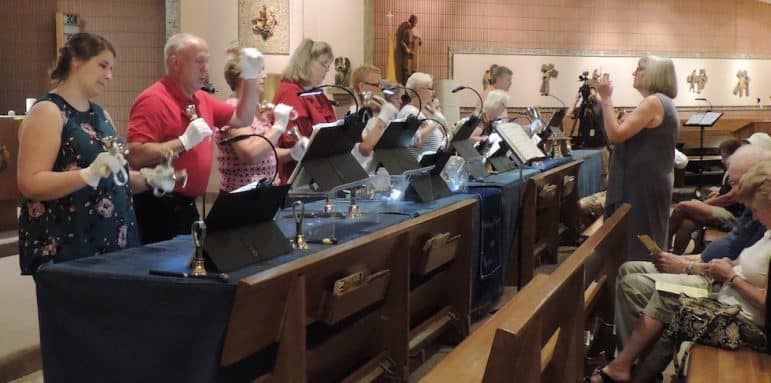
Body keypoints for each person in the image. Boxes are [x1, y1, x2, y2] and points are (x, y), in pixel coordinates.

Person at [589, 160, 771, 383]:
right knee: (641, 280)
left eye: (755, 209)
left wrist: (728, 275)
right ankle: (629, 368)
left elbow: (765, 301)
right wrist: (729, 265)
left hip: (745, 318)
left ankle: (629, 370)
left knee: (663, 299)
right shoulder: (767, 231)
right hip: (726, 291)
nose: (753, 216)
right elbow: (745, 259)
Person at [17, 33, 176, 274]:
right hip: (71, 247)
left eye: (111, 69)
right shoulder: (48, 112)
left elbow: (113, 176)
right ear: (76, 61)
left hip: (114, 244)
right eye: (103, 66)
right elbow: (30, 182)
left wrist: (151, 179)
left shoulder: (101, 115)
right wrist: (87, 174)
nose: (109, 76)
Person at [613, 144, 771, 349]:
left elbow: (742, 273)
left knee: (633, 286)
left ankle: (630, 363)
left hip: (720, 287)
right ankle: (627, 353)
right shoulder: (756, 211)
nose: (734, 191)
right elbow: (734, 256)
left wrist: (687, 266)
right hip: (714, 273)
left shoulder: (762, 214)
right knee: (627, 268)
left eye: (736, 183)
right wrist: (689, 260)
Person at [127, 33, 262, 244]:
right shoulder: (153, 100)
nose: (205, 68)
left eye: (206, 62)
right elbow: (135, 156)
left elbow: (243, 118)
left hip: (187, 205)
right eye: (199, 61)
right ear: (175, 62)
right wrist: (183, 142)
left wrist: (251, 76)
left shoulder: (202, 99)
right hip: (158, 205)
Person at [598, 55, 679, 261]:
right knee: (639, 235)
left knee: (640, 238)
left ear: (654, 75)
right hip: (647, 181)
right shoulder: (660, 102)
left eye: (639, 69)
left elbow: (615, 135)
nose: (634, 73)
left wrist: (606, 98)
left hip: (643, 185)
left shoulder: (653, 102)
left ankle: (638, 282)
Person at [215, 57, 305, 192]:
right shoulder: (233, 109)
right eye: (259, 70)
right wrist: (278, 127)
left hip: (264, 193)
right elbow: (250, 154)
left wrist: (293, 153)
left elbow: (266, 154)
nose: (265, 75)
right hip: (243, 198)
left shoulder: (256, 110)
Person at [272, 38, 336, 184]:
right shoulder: (290, 93)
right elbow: (293, 143)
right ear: (307, 62)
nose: (327, 70)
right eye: (324, 64)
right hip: (296, 177)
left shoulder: (315, 93)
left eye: (329, 66)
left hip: (318, 173)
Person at [668, 138, 746, 254]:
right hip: (724, 209)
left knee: (682, 206)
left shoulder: (741, 169)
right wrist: (718, 191)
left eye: (724, 156)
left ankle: (664, 242)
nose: (722, 160)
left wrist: (702, 204)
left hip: (733, 216)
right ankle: (674, 256)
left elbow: (729, 198)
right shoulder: (732, 168)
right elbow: (726, 191)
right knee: (687, 224)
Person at [348, 65, 399, 169]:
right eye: (376, 85)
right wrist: (383, 119)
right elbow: (365, 149)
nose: (380, 90)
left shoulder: (382, 111)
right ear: (362, 87)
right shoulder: (354, 114)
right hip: (365, 177)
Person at [398, 72, 447, 158]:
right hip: (417, 168)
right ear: (420, 90)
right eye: (431, 88)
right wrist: (435, 123)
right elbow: (415, 140)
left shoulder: (422, 112)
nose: (433, 92)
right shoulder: (409, 111)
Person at [395, 14, 419, 85]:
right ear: (412, 21)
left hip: (404, 52)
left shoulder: (406, 26)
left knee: (406, 69)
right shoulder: (406, 27)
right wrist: (408, 50)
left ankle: (405, 84)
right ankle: (404, 85)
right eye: (414, 24)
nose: (414, 26)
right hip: (402, 53)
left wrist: (418, 38)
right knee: (404, 69)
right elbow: (402, 41)